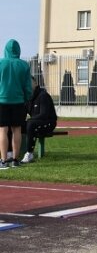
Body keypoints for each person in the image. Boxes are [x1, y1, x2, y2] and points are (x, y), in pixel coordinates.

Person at [0, 39, 33, 169]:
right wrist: (26, 98)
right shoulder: (24, 65)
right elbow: (27, 86)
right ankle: (15, 159)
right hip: (18, 101)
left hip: (2, 100)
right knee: (17, 130)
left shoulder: (1, 63)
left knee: (3, 130)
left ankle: (3, 160)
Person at [21, 77, 58, 163]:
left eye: (30, 83)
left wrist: (30, 120)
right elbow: (22, 114)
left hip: (48, 123)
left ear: (36, 84)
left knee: (30, 124)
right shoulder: (27, 97)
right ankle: (10, 153)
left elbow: (44, 114)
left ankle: (29, 154)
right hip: (34, 123)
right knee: (15, 125)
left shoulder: (43, 95)